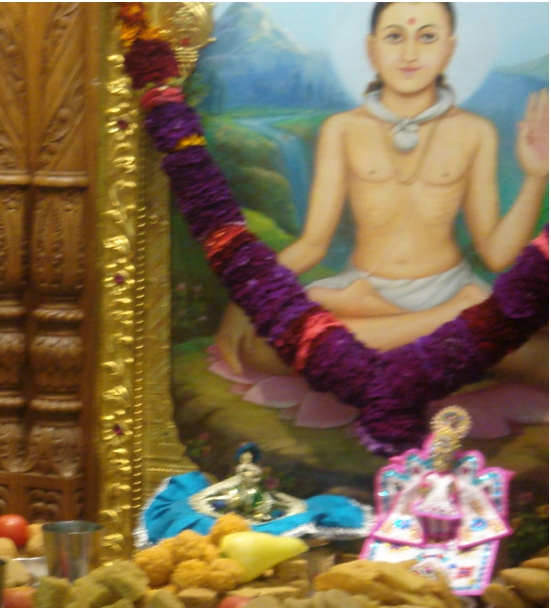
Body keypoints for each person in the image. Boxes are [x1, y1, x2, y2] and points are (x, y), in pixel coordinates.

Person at [216, 2, 548, 386]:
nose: (409, 53)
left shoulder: (474, 132)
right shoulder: (342, 129)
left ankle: (442, 318)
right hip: (361, 290)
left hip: (447, 287)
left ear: (450, 49)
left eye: (427, 37)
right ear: (372, 49)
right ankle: (448, 321)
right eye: (395, 37)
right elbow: (312, 245)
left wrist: (535, 176)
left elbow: (496, 253)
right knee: (260, 349)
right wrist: (245, 298)